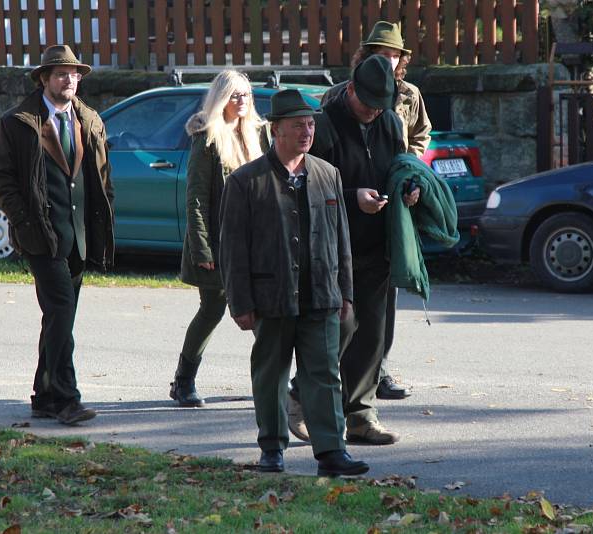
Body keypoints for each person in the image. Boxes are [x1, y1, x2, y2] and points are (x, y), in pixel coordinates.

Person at [219, 89, 369, 477]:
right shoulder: (245, 181)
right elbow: (233, 249)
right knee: (270, 375)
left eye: (310, 124)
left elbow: (341, 239)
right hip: (271, 296)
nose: (307, 131)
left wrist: (345, 292)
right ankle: (272, 448)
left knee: (324, 374)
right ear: (276, 131)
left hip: (322, 295)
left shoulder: (327, 174)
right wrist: (240, 302)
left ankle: (332, 452)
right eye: (297, 125)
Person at [289, 54, 419, 445]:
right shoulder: (323, 127)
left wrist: (410, 189)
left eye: (379, 107)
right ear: (349, 91)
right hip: (331, 248)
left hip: (376, 244)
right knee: (338, 328)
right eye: (366, 105)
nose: (372, 113)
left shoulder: (392, 123)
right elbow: (302, 186)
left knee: (372, 334)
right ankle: (301, 398)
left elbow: (399, 167)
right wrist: (351, 197)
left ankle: (360, 414)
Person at [0, 45, 114, 425]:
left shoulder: (88, 119)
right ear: (44, 78)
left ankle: (43, 395)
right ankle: (66, 398)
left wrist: (104, 218)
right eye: (61, 73)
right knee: (61, 310)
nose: (70, 80)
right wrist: (24, 220)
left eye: (74, 74)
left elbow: (102, 177)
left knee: (59, 317)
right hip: (41, 235)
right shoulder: (19, 122)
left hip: (79, 235)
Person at [321, 20, 432, 400]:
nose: (389, 59)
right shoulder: (333, 105)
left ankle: (369, 390)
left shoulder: (405, 100)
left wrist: (409, 182)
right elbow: (320, 171)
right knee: (343, 318)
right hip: (342, 231)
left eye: (394, 53)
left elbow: (413, 143)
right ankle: (315, 387)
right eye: (381, 53)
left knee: (378, 314)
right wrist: (353, 196)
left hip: (383, 225)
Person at [170, 71, 268, 407]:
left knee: (262, 311)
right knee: (212, 309)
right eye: (234, 96)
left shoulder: (257, 135)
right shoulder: (207, 137)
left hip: (254, 242)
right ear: (220, 99)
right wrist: (201, 247)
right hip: (218, 242)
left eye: (246, 95)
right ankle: (183, 381)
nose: (242, 102)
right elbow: (196, 197)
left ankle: (274, 379)